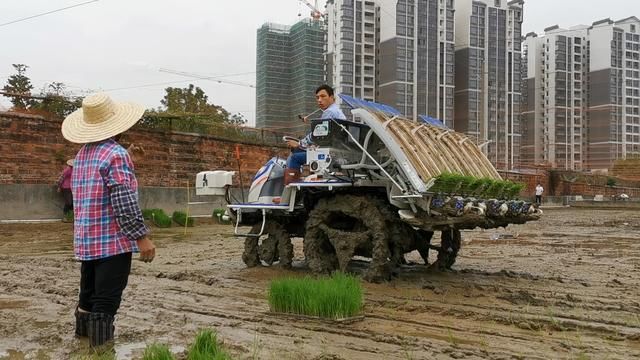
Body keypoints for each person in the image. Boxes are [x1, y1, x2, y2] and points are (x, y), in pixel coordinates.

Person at [61, 93, 156, 348]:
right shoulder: (115, 155)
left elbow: (100, 185)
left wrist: (129, 159)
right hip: (113, 243)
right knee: (106, 301)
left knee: (87, 297)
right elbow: (123, 200)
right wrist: (141, 237)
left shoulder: (82, 155)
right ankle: (101, 351)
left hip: (87, 241)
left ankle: (82, 346)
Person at [285, 84, 346, 183]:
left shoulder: (329, 112)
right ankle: (311, 179)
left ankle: (289, 189)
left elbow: (316, 135)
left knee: (294, 158)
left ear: (331, 97)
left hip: (329, 154)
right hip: (335, 150)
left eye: (323, 96)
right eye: (317, 97)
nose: (319, 100)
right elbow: (321, 133)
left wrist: (299, 143)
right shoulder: (337, 111)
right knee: (307, 152)